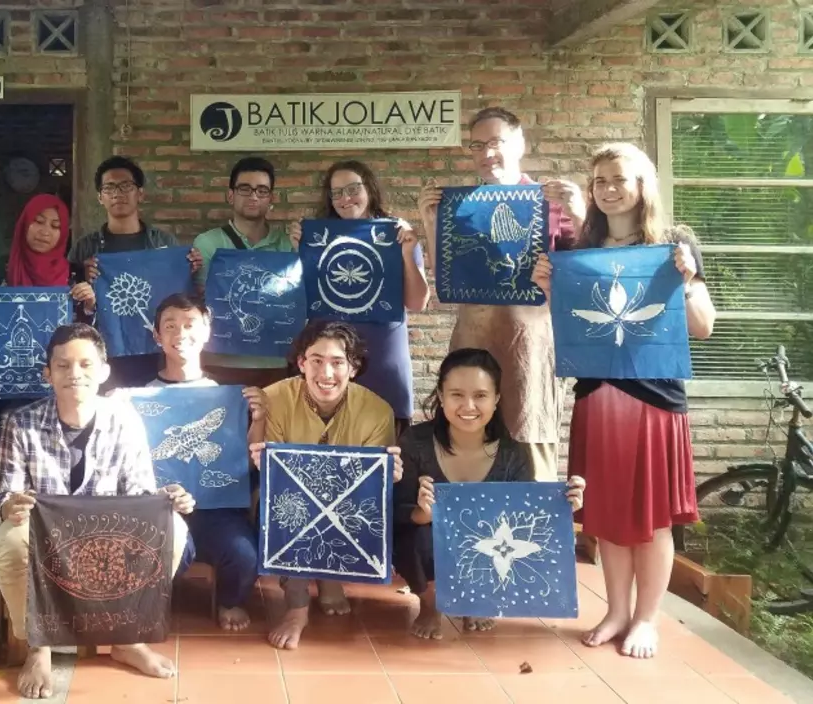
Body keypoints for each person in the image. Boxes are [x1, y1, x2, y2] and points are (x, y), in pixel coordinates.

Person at [533, 142, 716, 659]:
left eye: (619, 179)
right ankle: (615, 611)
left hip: (655, 400)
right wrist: (550, 291)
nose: (609, 189)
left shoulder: (675, 243)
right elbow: (572, 330)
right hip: (598, 397)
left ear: (642, 185)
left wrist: (684, 279)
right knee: (605, 513)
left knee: (652, 518)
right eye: (600, 182)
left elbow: (703, 326)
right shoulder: (580, 249)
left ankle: (646, 619)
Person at [0, 323, 196, 699]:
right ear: (47, 373)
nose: (75, 374)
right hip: (47, 536)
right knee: (11, 540)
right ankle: (40, 647)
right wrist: (11, 505)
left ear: (103, 371)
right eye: (63, 365)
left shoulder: (124, 419)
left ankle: (127, 639)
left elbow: (138, 493)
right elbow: (2, 496)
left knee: (175, 529)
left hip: (108, 535)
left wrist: (164, 500)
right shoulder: (20, 423)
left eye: (86, 364)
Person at [417, 106, 583, 481]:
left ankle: (535, 534)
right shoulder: (460, 208)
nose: (486, 154)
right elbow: (447, 286)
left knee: (530, 446)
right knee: (468, 440)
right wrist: (431, 224)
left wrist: (581, 214)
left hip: (530, 347)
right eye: (477, 145)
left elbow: (584, 285)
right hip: (473, 340)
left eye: (495, 142)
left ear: (520, 143)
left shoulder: (551, 203)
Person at [393, 348, 585, 640]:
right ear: (441, 397)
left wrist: (564, 506)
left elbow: (527, 520)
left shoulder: (512, 454)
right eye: (456, 394)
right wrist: (422, 513)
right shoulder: (415, 442)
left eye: (480, 395)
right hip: (426, 540)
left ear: (496, 399)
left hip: (490, 546)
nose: (468, 405)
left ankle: (477, 599)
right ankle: (430, 604)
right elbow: (393, 511)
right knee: (416, 535)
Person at [248, 320, 403, 650]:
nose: (326, 373)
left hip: (346, 501)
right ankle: (297, 606)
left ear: (354, 367)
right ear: (302, 363)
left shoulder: (378, 412)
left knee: (361, 506)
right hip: (289, 499)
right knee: (289, 502)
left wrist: (388, 475)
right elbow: (272, 475)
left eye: (337, 362)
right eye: (316, 361)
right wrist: (264, 460)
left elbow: (368, 492)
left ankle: (331, 577)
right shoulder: (274, 398)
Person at [143, 293, 268, 630]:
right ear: (156, 336)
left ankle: (230, 600)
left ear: (207, 331)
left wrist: (258, 419)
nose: (180, 333)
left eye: (189, 324)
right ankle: (148, 603)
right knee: (150, 551)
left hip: (218, 509)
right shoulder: (139, 398)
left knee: (244, 555)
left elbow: (249, 463)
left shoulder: (230, 397)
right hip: (161, 508)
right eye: (170, 326)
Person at [290, 161, 430, 429]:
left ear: (370, 189)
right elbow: (294, 304)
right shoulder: (314, 240)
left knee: (389, 455)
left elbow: (417, 303)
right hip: (329, 370)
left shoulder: (398, 235)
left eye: (353, 188)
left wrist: (407, 255)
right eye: (336, 193)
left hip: (383, 363)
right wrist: (296, 252)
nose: (345, 198)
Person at [0, 194, 97, 469]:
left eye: (55, 226)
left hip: (61, 389)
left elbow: (89, 337)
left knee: (59, 469)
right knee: (11, 472)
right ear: (24, 224)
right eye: (38, 222)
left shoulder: (74, 276)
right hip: (7, 395)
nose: (45, 231)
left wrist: (88, 306)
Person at [69, 156, 201, 389]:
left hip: (158, 353)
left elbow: (181, 298)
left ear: (140, 194)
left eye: (126, 186)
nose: (118, 193)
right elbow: (72, 305)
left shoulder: (164, 242)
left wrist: (190, 267)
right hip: (107, 353)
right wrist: (83, 279)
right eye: (109, 187)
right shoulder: (85, 248)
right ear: (100, 197)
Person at [192, 157, 294, 388]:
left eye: (262, 190)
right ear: (231, 195)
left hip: (274, 362)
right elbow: (197, 298)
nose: (254, 196)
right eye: (245, 189)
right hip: (218, 361)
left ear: (271, 198)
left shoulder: (287, 244)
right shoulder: (207, 243)